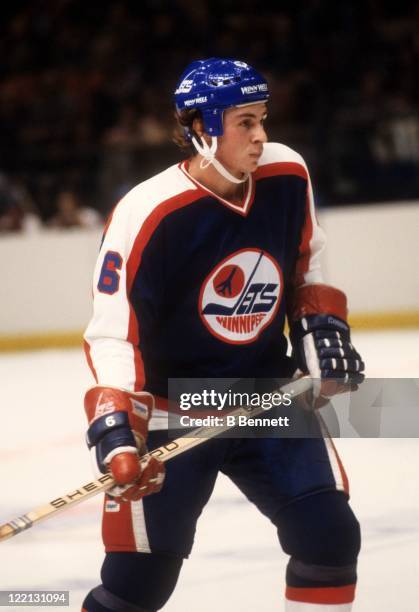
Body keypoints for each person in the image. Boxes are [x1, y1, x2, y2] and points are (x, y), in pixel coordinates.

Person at [82, 58, 365, 612]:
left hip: (265, 398)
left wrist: (319, 331)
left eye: (263, 119)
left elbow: (306, 264)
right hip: (176, 409)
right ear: (200, 129)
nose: (261, 136)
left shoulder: (288, 173)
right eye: (244, 122)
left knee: (329, 539)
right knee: (137, 586)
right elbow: (114, 333)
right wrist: (118, 425)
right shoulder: (147, 212)